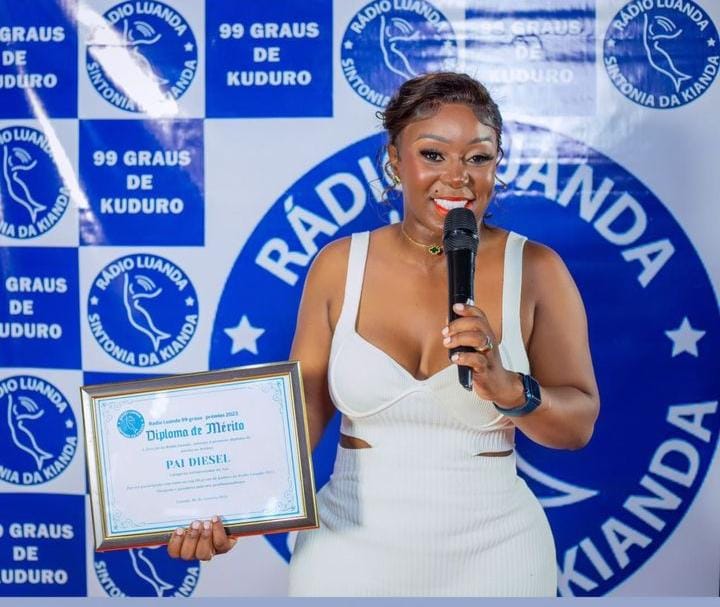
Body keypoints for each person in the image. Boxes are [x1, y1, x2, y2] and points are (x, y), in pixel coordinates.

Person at [167, 72, 600, 596]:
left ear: (496, 164)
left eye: (478, 157)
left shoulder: (536, 268)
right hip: (346, 552)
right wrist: (228, 507)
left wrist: (512, 390)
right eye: (433, 155)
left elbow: (577, 425)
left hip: (497, 555)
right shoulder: (337, 266)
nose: (458, 178)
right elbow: (301, 416)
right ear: (395, 161)